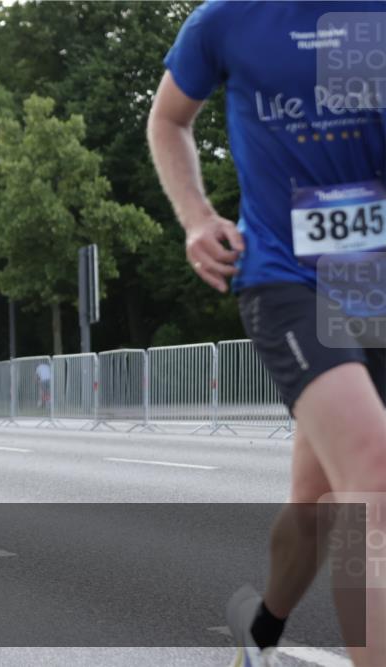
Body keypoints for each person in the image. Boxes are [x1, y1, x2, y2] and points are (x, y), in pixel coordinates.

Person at [147, 4, 386, 665]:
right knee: (371, 476)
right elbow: (168, 118)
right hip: (287, 277)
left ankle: (259, 632)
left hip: (373, 282)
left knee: (319, 504)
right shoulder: (227, 20)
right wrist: (196, 216)